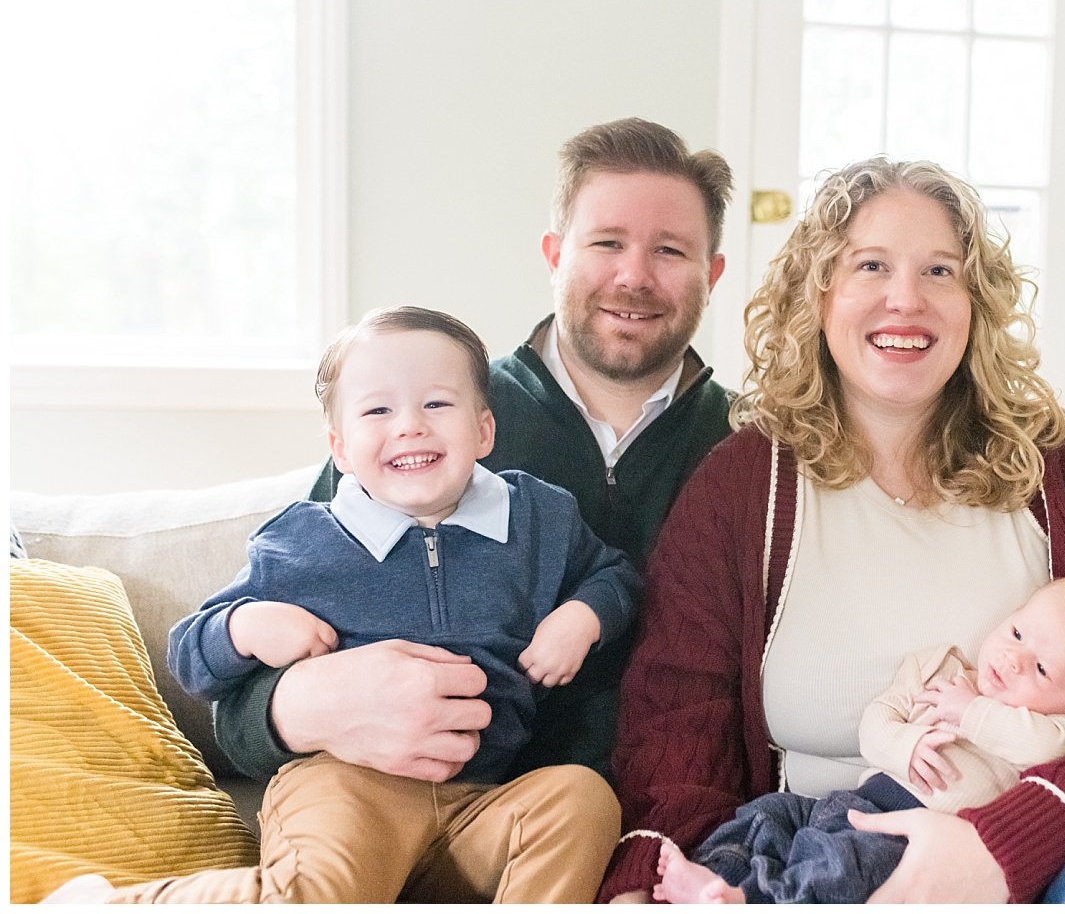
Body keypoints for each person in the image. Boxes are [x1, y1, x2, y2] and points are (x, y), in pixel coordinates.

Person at [600, 157, 1065, 903]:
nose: (906, 299)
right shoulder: (742, 483)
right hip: (823, 851)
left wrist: (1003, 844)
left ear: (976, 302)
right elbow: (676, 719)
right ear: (818, 293)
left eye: (939, 271)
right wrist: (652, 870)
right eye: (870, 265)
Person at [210, 118, 736, 789]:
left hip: (660, 812)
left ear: (712, 273)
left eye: (669, 250)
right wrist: (304, 708)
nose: (633, 275)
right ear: (554, 255)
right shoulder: (428, 422)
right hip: (414, 800)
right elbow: (234, 710)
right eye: (607, 242)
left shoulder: (751, 449)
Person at [67, 307, 641, 903]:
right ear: (339, 448)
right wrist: (247, 626)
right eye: (377, 411)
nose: (410, 426)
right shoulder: (302, 541)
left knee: (581, 797)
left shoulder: (539, 518)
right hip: (344, 785)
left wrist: (582, 617)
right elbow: (189, 652)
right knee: (321, 889)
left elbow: (615, 575)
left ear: (484, 431)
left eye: (436, 403)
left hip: (482, 800)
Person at [653, 575, 1065, 904]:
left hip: (912, 840)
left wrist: (972, 711)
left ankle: (752, 900)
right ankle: (717, 876)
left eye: (1042, 669)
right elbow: (877, 723)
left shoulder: (1054, 729)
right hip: (850, 802)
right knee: (767, 814)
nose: (1014, 659)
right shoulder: (938, 668)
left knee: (841, 870)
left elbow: (1039, 748)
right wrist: (904, 745)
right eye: (1018, 633)